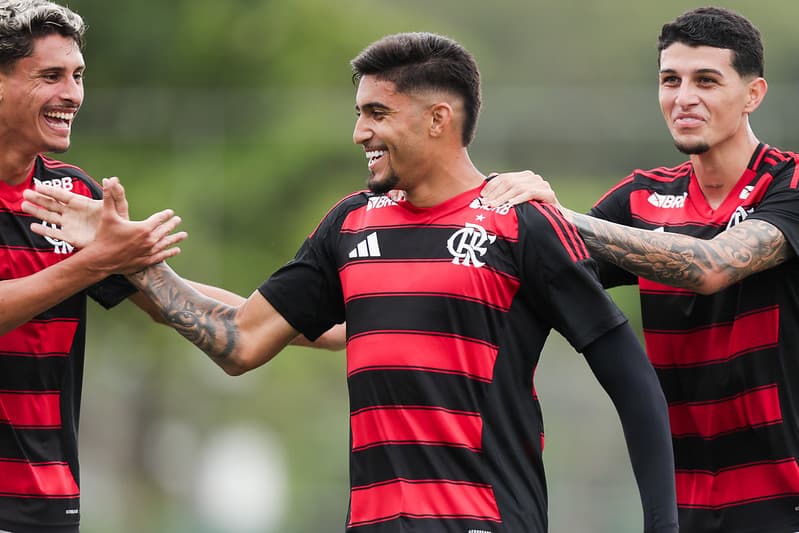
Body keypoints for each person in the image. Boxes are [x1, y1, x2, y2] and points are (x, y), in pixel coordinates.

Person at [44, 32, 675, 533]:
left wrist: (661, 524)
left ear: (437, 118)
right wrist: (123, 260)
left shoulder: (521, 223)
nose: (359, 133)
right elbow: (239, 342)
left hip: (484, 521)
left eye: (377, 113)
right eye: (358, 113)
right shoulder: (348, 224)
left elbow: (629, 376)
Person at [482, 6, 799, 533]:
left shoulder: (787, 184)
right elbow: (515, 284)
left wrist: (550, 217)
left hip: (783, 502)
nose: (683, 98)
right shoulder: (642, 196)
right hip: (680, 508)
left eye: (706, 81)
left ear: (753, 94)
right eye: (670, 80)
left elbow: (710, 265)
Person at [0, 1, 198, 531]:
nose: (73, 94)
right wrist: (95, 264)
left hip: (48, 501)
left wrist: (321, 319)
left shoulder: (70, 195)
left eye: (78, 75)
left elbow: (169, 301)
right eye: (50, 76)